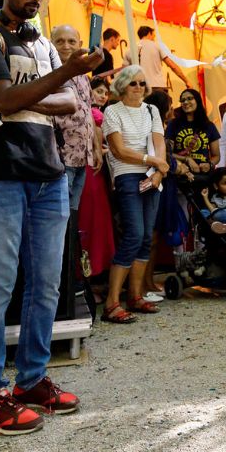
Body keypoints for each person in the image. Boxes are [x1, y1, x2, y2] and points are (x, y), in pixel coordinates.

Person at [0, 0, 102, 434]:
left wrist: (29, 91)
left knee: (45, 284)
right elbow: (6, 99)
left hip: (49, 173)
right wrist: (58, 77)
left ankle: (33, 380)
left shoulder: (41, 43)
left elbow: (68, 103)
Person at [101, 65, 168, 324]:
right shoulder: (112, 111)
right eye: (133, 83)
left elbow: (159, 142)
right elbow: (118, 150)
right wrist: (153, 161)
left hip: (152, 175)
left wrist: (159, 172)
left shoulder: (151, 110)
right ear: (122, 86)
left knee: (146, 237)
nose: (139, 87)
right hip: (127, 175)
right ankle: (112, 303)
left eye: (142, 83)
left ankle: (136, 295)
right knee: (133, 235)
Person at [51, 25, 100, 210]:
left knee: (73, 211)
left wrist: (95, 146)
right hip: (60, 157)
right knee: (59, 212)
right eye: (60, 41)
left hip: (82, 156)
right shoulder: (48, 74)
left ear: (80, 45)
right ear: (51, 44)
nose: (66, 46)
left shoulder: (84, 77)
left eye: (71, 41)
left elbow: (88, 113)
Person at [78, 76, 115, 278]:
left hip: (95, 173)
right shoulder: (93, 114)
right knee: (92, 220)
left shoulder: (97, 114)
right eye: (98, 91)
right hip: (90, 172)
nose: (102, 95)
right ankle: (89, 273)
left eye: (105, 93)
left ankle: (90, 273)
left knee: (95, 220)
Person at [165, 88, 221, 178]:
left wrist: (209, 165)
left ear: (197, 101)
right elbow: (167, 153)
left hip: (203, 177)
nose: (186, 102)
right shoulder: (173, 124)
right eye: (183, 100)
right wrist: (187, 159)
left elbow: (216, 156)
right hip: (180, 176)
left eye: (190, 98)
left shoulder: (209, 126)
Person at [124, 25, 191, 94]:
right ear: (149, 33)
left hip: (139, 90)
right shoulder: (157, 46)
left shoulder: (129, 50)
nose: (154, 38)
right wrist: (186, 81)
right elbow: (172, 66)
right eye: (153, 35)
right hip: (158, 87)